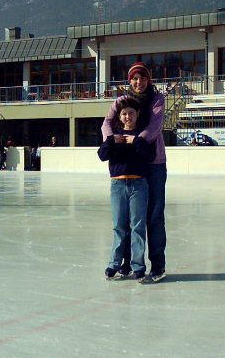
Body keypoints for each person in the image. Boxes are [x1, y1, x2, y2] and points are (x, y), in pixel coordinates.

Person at [101, 61, 167, 283]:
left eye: (143, 78)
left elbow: (155, 126)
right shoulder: (121, 101)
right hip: (129, 166)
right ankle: (127, 263)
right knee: (127, 218)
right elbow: (106, 123)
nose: (139, 82)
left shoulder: (157, 99)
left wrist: (136, 140)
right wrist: (112, 140)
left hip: (153, 162)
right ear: (129, 81)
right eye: (134, 79)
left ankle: (157, 265)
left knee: (153, 216)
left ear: (149, 80)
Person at [98, 98, 156, 283]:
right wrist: (111, 141)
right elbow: (102, 155)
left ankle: (138, 266)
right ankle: (115, 264)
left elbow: (150, 156)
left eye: (131, 113)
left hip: (139, 185)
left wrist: (137, 141)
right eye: (124, 114)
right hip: (118, 185)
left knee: (137, 227)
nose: (128, 116)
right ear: (119, 117)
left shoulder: (142, 135)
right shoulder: (113, 135)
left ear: (137, 114)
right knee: (119, 227)